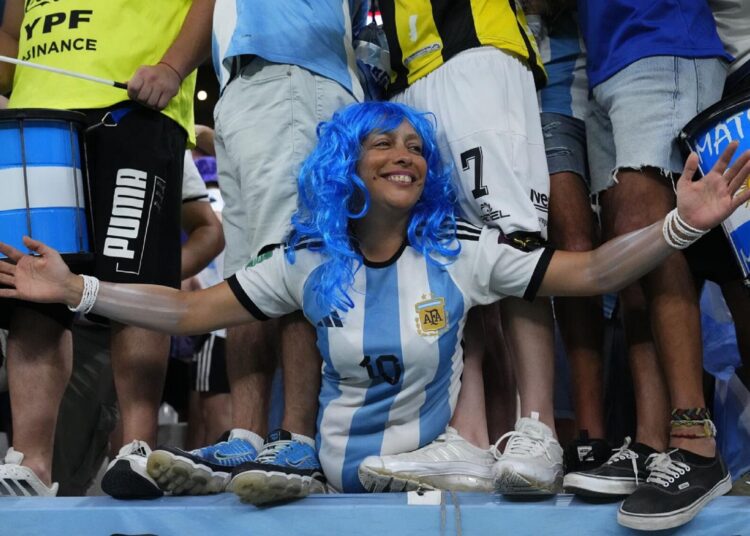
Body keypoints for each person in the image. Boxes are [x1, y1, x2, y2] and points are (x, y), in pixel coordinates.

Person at [1, 101, 748, 525]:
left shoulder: (462, 251)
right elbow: (188, 314)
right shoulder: (311, 262)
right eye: (384, 142)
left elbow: (588, 273)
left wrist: (681, 225)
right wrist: (78, 292)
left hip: (420, 495)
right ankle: (247, 465)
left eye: (418, 147)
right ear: (345, 167)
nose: (406, 154)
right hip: (328, 496)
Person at [144, 0, 368, 505]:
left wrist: (172, 68)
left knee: (292, 258)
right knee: (246, 278)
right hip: (239, 90)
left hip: (294, 76)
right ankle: (246, 438)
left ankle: (296, 440)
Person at [0, 0, 214, 498]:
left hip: (136, 108)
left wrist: (172, 67)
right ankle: (30, 460)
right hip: (40, 120)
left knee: (134, 275)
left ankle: (137, 448)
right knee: (31, 286)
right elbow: (10, 38)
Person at [373, 0, 563, 496]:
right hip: (406, 71)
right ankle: (471, 437)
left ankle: (540, 428)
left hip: (475, 49)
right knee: (450, 255)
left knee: (513, 242)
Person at [566, 0, 732, 529]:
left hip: (663, 44)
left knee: (656, 237)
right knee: (632, 258)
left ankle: (696, 443)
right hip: (604, 63)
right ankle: (651, 441)